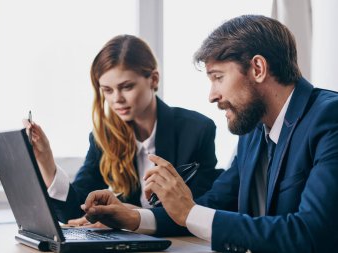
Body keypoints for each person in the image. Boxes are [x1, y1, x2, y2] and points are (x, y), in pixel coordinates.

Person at [81, 15, 338, 253]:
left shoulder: (329, 118)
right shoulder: (253, 131)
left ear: (258, 68)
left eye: (218, 77)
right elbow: (215, 205)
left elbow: (311, 233)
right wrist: (134, 217)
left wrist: (189, 211)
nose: (212, 95)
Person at [24, 34, 223, 226]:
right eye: (107, 90)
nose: (116, 99)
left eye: (126, 87)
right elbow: (75, 212)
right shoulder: (103, 137)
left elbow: (197, 211)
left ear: (153, 79)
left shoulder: (196, 130)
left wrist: (134, 215)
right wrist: (47, 162)